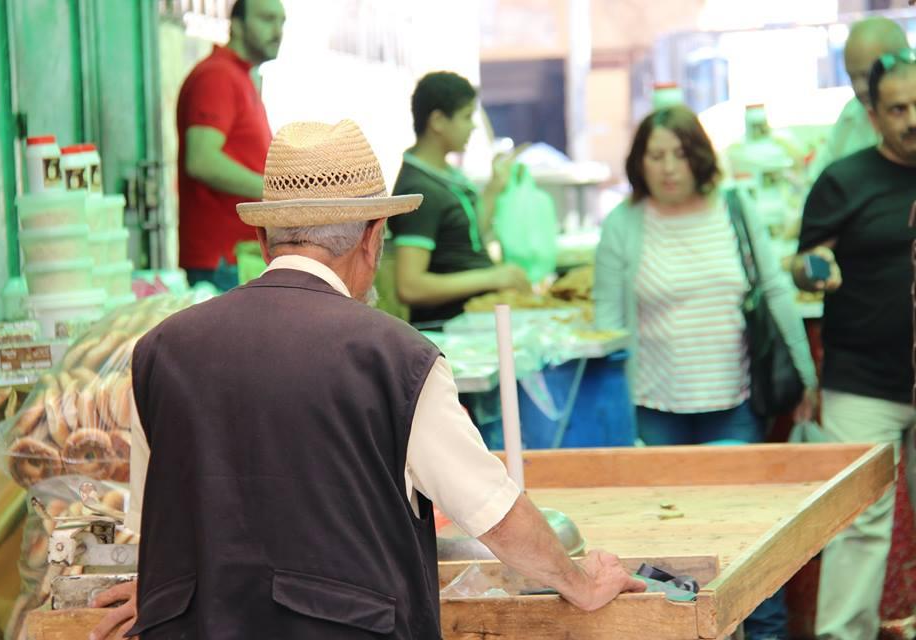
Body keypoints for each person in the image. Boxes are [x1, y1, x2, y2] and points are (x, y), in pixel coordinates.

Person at [89, 119, 645, 640]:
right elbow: (494, 514)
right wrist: (581, 583)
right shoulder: (398, 358)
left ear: (262, 239)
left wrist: (162, 592)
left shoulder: (161, 350)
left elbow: (161, 520)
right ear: (373, 237)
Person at [592, 105, 818, 640]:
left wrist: (806, 375)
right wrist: (617, 421)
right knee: (665, 553)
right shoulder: (624, 224)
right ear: (639, 163)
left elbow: (776, 291)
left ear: (699, 158)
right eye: (656, 155)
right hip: (654, 412)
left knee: (749, 543)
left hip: (735, 405)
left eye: (680, 153)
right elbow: (608, 328)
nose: (669, 167)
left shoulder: (735, 209)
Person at [791, 49, 916, 640]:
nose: (912, 119)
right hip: (863, 383)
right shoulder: (844, 180)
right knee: (861, 522)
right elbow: (803, 263)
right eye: (898, 109)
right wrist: (815, 267)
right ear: (873, 114)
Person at [389, 71, 531, 327]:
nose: (473, 127)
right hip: (448, 329)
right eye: (466, 117)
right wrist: (492, 277)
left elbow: (468, 237)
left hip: (472, 324)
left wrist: (494, 189)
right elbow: (410, 286)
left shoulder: (445, 175)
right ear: (438, 121)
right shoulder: (419, 189)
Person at [176, 0, 286, 291]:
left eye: (281, 22)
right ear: (236, 25)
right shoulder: (217, 76)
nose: (278, 31)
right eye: (267, 19)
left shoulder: (241, 77)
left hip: (238, 259)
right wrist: (279, 193)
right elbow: (201, 160)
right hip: (221, 262)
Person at [809, 17, 909, 178]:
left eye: (867, 75)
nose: (859, 88)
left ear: (901, 65)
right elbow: (819, 176)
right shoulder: (852, 112)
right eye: (852, 77)